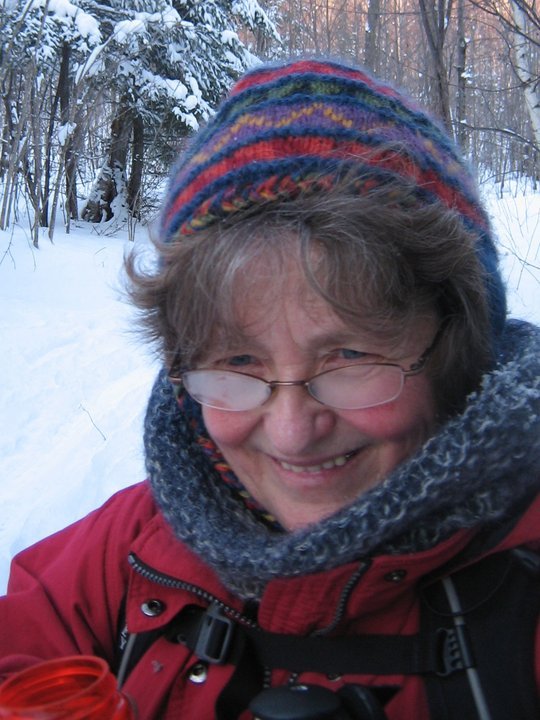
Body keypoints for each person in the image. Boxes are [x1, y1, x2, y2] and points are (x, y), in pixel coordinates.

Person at [1, 58, 539, 720]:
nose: (291, 432)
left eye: (349, 355)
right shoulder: (133, 544)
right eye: (239, 362)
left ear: (457, 347)